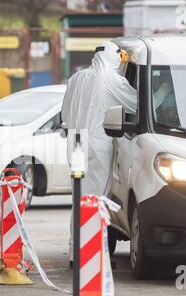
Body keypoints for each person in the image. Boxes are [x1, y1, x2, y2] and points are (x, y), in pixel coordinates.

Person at [61, 42, 137, 266]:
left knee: (79, 199)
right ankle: (91, 255)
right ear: (113, 58)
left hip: (75, 142)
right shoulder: (111, 80)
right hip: (97, 143)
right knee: (95, 200)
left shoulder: (76, 78)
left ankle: (77, 254)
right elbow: (136, 104)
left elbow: (65, 113)